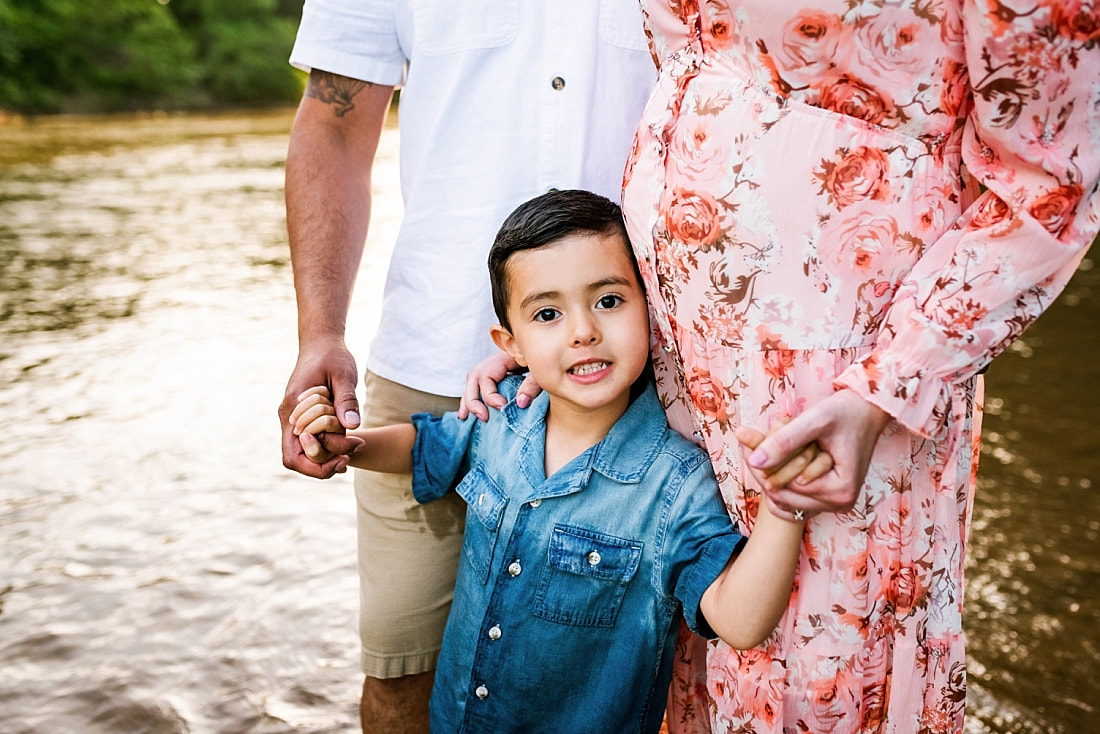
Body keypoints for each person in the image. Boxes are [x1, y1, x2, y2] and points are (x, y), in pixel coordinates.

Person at [465, 2, 1100, 732]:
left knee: (814, 650)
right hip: (668, 347)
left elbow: (1052, 184)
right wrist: (572, 334)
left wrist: (887, 384)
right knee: (668, 629)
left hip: (838, 380)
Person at [291, 190, 832, 733]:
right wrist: (349, 444)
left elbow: (739, 620)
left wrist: (783, 511)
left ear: (651, 309)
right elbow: (425, 445)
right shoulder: (500, 415)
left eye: (609, 301)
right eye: (548, 313)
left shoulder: (675, 483)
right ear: (512, 343)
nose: (582, 331)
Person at [277, 2, 656, 730]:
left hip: (645, 367)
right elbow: (333, 121)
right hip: (433, 359)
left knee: (632, 683)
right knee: (402, 676)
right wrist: (318, 333)